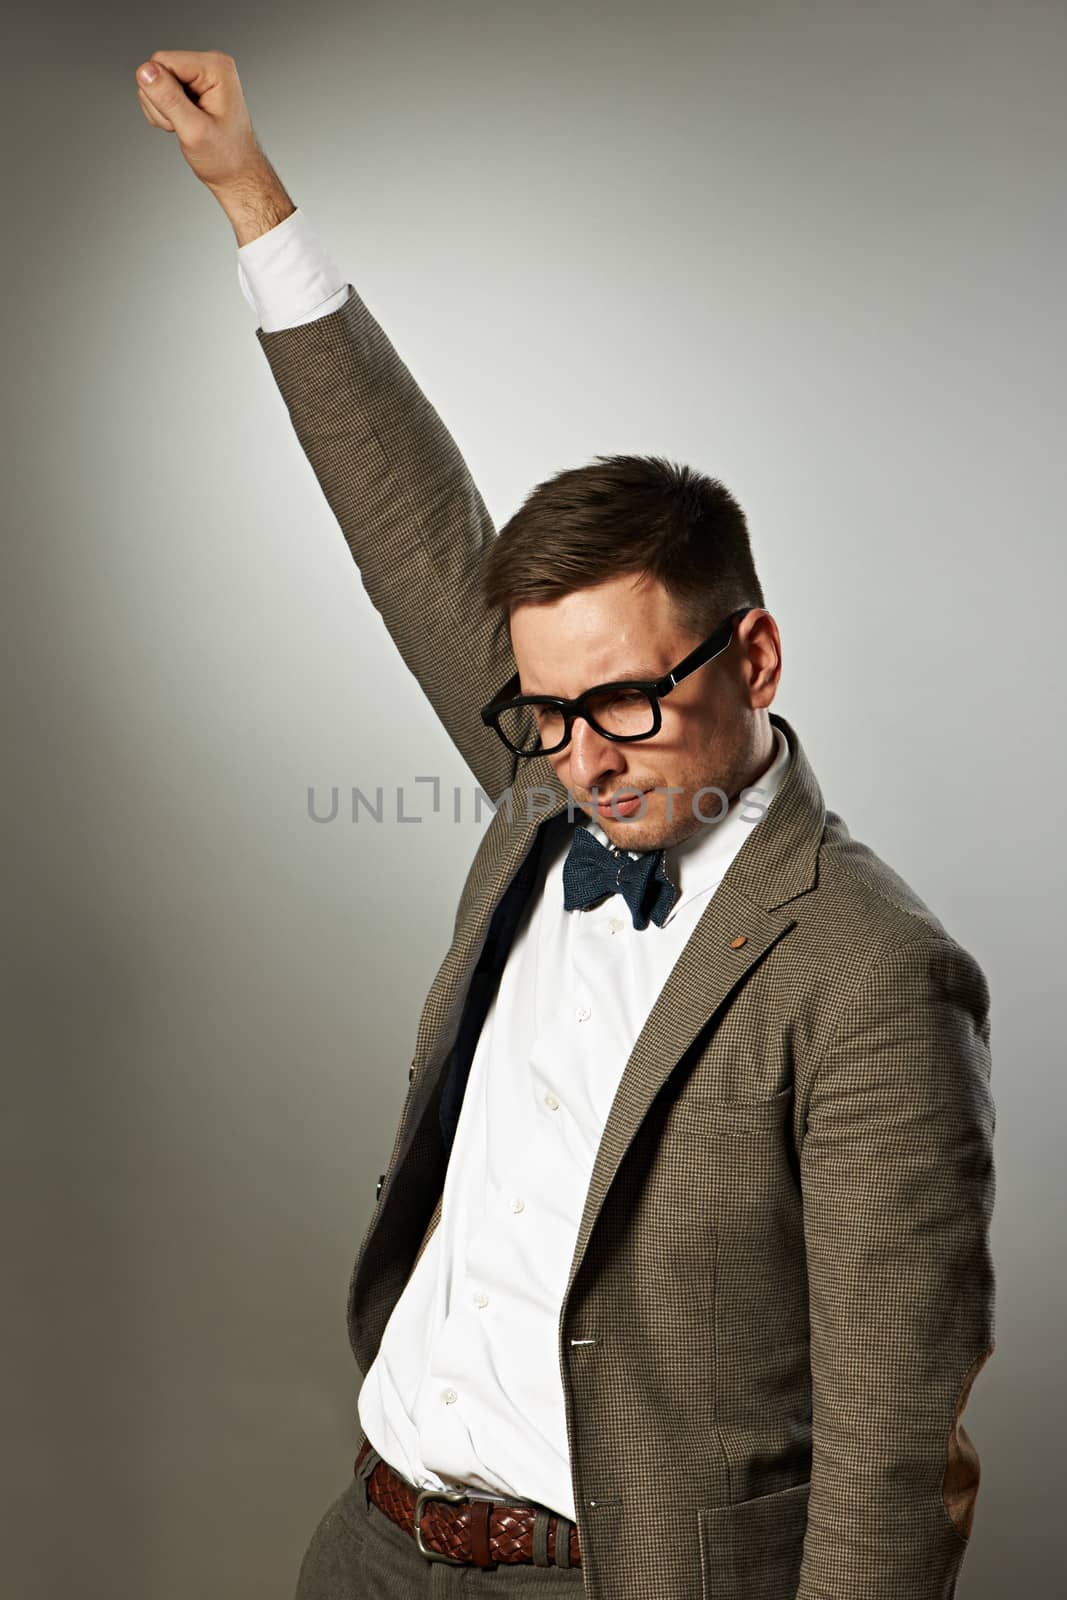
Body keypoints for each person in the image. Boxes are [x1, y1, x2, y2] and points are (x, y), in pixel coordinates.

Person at [134, 49, 997, 1600]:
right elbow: (411, 520)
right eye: (544, 713)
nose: (582, 760)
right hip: (375, 1545)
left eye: (626, 706)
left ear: (755, 658)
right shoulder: (551, 782)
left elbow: (890, 1451)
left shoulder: (874, 971)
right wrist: (249, 196)